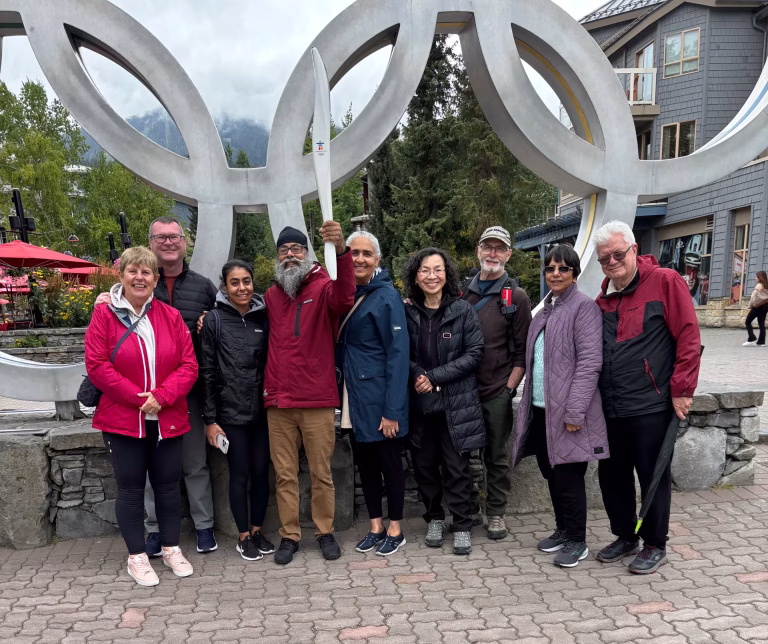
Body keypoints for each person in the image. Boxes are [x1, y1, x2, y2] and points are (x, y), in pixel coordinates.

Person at [95, 217, 219, 556]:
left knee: (194, 463)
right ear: (150, 242)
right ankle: (152, 532)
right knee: (148, 473)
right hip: (137, 400)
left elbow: (220, 328)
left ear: (184, 242)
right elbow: (100, 357)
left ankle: (204, 526)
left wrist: (213, 322)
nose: (168, 242)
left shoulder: (203, 285)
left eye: (174, 237)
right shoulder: (127, 292)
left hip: (184, 393)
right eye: (160, 237)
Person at [85, 247, 198, 587]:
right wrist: (139, 399)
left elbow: (189, 365)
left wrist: (161, 397)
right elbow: (97, 366)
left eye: (146, 272)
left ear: (155, 279)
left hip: (167, 417)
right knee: (132, 490)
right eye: (133, 271)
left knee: (166, 488)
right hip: (123, 418)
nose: (139, 277)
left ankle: (171, 548)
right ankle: (136, 556)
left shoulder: (170, 316)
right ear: (122, 276)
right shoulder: (104, 314)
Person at [593, 221, 700, 575]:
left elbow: (688, 337)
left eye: (618, 254)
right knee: (613, 475)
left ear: (634, 249)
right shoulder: (603, 298)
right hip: (611, 406)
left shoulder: (666, 282)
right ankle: (626, 535)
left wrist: (683, 391)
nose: (612, 261)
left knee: (652, 474)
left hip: (650, 404)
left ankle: (655, 542)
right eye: (604, 257)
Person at [511, 244, 608, 568]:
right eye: (550, 268)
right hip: (541, 409)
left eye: (562, 268)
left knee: (568, 478)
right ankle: (563, 530)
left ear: (574, 273)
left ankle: (578, 541)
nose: (555, 274)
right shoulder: (548, 309)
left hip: (568, 413)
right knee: (551, 473)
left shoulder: (583, 308)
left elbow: (590, 362)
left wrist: (576, 411)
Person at [265, 222, 355, 565]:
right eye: (284, 250)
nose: (290, 255)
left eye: (296, 249)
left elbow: (346, 296)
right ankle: (289, 536)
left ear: (307, 253)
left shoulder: (324, 288)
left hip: (316, 399)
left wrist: (343, 251)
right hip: (278, 401)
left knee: (321, 472)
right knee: (285, 474)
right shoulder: (272, 295)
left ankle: (324, 531)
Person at [404, 248, 485, 556]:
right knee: (424, 467)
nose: (432, 276)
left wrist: (434, 376)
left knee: (457, 468)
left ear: (446, 274)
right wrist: (417, 374)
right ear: (416, 275)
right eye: (425, 270)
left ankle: (462, 524)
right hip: (420, 405)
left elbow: (474, 354)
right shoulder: (407, 311)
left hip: (455, 404)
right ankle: (434, 518)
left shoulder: (463, 310)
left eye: (438, 270)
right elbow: (402, 353)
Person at [336, 232, 409, 557]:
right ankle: (375, 525)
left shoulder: (387, 297)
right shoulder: (344, 293)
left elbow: (398, 353)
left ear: (377, 260)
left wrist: (392, 410)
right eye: (353, 253)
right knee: (365, 465)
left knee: (390, 464)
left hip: (380, 396)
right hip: (353, 395)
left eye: (367, 254)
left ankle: (396, 528)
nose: (360, 259)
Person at [199, 259, 274, 562]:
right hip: (230, 415)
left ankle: (257, 530)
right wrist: (210, 420)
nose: (242, 288)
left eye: (246, 281)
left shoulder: (264, 318)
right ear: (225, 287)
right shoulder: (214, 321)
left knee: (261, 474)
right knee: (239, 475)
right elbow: (207, 372)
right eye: (235, 282)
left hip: (262, 413)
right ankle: (243, 536)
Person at [461, 226, 532, 540]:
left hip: (496, 392)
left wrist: (508, 390)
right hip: (462, 389)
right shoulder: (462, 292)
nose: (492, 254)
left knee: (496, 457)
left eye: (499, 249)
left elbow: (522, 353)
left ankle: (496, 514)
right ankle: (466, 511)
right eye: (487, 247)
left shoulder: (515, 296)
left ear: (508, 254)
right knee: (458, 454)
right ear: (478, 251)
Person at [743, 270, 768, 346]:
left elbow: (754, 298)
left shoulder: (759, 286)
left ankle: (751, 338)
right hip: (765, 307)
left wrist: (750, 305)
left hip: (757, 307)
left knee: (747, 322)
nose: (755, 278)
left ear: (759, 278)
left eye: (756, 277)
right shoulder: (766, 285)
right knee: (761, 324)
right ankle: (761, 342)